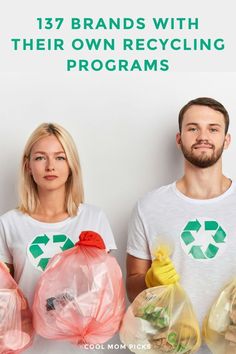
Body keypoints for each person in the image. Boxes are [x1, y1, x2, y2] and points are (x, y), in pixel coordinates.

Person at [126, 97, 236, 353]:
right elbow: (132, 290)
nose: (202, 136)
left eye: (213, 128)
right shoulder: (149, 207)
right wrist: (150, 280)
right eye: (193, 128)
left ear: (226, 140)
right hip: (171, 344)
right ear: (179, 139)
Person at [0, 123, 117, 354]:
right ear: (28, 166)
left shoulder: (94, 218)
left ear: (71, 165)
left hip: (80, 347)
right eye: (41, 158)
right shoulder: (9, 223)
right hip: (25, 346)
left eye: (60, 157)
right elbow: (4, 295)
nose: (50, 166)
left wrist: (96, 260)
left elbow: (104, 293)